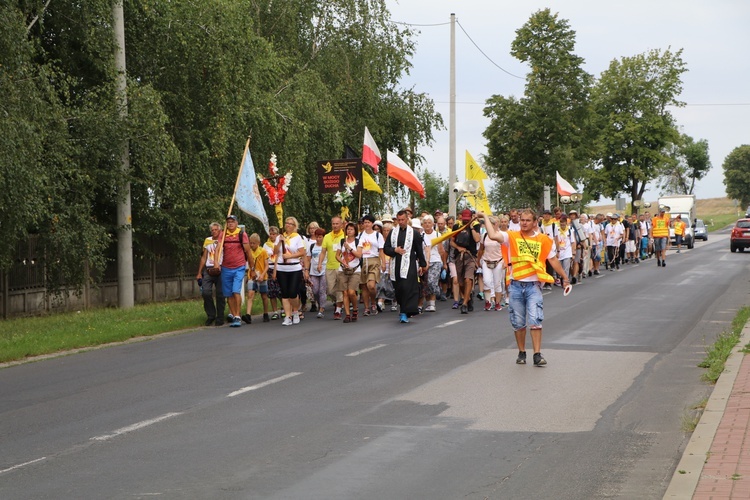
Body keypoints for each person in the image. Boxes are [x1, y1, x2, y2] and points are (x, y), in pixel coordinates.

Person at [478, 209, 570, 367]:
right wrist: (485, 217)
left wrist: (565, 278)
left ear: (535, 222)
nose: (524, 223)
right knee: (518, 323)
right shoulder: (511, 236)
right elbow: (493, 235)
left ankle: (537, 354)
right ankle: (521, 352)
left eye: (528, 220)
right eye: (522, 220)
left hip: (534, 286)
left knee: (535, 320)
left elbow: (553, 260)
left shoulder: (544, 240)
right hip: (515, 285)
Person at [383, 209, 427, 323]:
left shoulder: (414, 234)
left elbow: (419, 250)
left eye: (403, 220)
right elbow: (386, 249)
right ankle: (403, 309)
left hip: (409, 265)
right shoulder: (393, 233)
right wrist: (395, 250)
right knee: (399, 289)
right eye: (399, 220)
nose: (401, 222)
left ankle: (404, 312)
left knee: (407, 288)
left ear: (407, 219)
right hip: (396, 265)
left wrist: (423, 264)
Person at [218, 215, 253, 328]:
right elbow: (218, 249)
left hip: (239, 266)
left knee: (235, 291)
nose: (230, 224)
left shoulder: (242, 234)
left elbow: (248, 252)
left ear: (237, 223)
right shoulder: (223, 235)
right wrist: (215, 263)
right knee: (228, 294)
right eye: (228, 222)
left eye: (232, 221)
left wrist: (252, 268)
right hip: (226, 267)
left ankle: (238, 315)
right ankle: (233, 315)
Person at [274, 217, 306, 326]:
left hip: (294, 267)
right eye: (287, 223)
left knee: (293, 292)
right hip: (281, 268)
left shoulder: (297, 237)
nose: (288, 225)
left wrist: (290, 256)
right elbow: (274, 251)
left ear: (294, 226)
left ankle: (295, 311)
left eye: (291, 224)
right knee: (285, 293)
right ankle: (288, 316)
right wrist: (280, 242)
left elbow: (302, 252)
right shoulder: (280, 236)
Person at [450, 209, 481, 314]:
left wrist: (471, 226)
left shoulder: (476, 226)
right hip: (459, 256)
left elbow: (477, 239)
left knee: (468, 279)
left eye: (467, 219)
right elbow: (452, 242)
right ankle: (468, 298)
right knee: (461, 282)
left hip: (470, 255)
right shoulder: (456, 227)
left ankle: (464, 304)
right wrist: (458, 248)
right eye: (464, 219)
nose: (465, 221)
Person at [196, 222, 225, 326]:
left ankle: (220, 317)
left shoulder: (223, 240)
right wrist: (199, 272)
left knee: (220, 294)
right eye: (212, 230)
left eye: (216, 229)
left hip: (221, 268)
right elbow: (204, 257)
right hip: (208, 269)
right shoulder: (208, 240)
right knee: (206, 292)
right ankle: (211, 315)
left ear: (220, 230)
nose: (214, 231)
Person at [357, 214, 386, 316]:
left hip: (374, 260)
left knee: (371, 285)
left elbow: (381, 250)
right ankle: (366, 307)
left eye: (368, 222)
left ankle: (373, 302)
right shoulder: (360, 235)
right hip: (363, 261)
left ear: (372, 223)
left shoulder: (377, 235)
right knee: (364, 286)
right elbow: (358, 249)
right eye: (365, 222)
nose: (366, 224)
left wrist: (383, 263)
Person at [335, 222, 362, 323]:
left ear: (355, 231)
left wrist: (350, 248)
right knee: (345, 292)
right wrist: (342, 261)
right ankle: (347, 314)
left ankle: (355, 309)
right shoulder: (342, 241)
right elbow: (337, 255)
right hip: (343, 269)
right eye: (348, 229)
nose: (349, 231)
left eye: (351, 229)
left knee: (351, 292)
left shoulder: (358, 242)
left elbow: (359, 255)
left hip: (355, 269)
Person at [477, 216, 505, 311]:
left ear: (496, 224)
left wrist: (505, 261)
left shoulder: (501, 235)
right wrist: (478, 260)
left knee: (497, 283)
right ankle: (488, 301)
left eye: (493, 224)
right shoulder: (484, 235)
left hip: (498, 261)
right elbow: (481, 249)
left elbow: (505, 249)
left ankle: (497, 302)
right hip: (486, 260)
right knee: (487, 281)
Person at [320, 216, 345, 319]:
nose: (335, 225)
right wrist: (319, 263)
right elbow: (323, 252)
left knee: (339, 289)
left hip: (341, 266)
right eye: (333, 224)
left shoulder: (345, 236)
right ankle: (340, 301)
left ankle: (338, 310)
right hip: (329, 266)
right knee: (330, 290)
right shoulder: (327, 236)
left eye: (337, 223)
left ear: (341, 224)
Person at [421, 214, 447, 312]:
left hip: (435, 261)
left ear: (432, 224)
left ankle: (435, 298)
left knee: (432, 281)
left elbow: (441, 250)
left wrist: (444, 264)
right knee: (426, 283)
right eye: (425, 223)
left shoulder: (437, 235)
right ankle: (429, 303)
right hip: (424, 262)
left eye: (429, 223)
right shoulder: (421, 235)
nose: (427, 225)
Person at [243, 233, 270, 324]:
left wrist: (262, 275)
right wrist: (248, 276)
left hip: (262, 276)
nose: (252, 245)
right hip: (252, 276)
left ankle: (265, 313)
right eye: (250, 243)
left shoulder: (263, 251)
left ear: (258, 243)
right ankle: (248, 315)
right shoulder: (249, 252)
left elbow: (266, 265)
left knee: (264, 295)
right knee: (250, 294)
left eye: (254, 243)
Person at [307, 227, 327, 318]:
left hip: (324, 270)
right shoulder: (311, 246)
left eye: (320, 237)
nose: (318, 239)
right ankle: (320, 303)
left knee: (322, 290)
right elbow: (308, 258)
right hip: (313, 271)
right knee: (315, 291)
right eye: (317, 237)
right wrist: (306, 270)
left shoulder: (325, 246)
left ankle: (321, 309)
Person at [263, 226, 282, 319]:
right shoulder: (266, 245)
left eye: (274, 234)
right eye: (270, 234)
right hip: (269, 268)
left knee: (280, 290)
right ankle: (275, 311)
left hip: (279, 268)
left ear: (277, 235)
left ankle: (283, 308)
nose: (272, 236)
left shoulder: (280, 243)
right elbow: (264, 257)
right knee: (271, 291)